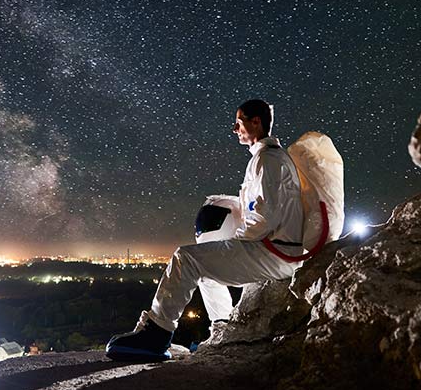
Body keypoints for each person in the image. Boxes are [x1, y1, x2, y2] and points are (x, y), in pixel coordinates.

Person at [105, 98, 305, 361]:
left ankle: (156, 334)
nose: (235, 129)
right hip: (277, 250)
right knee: (207, 273)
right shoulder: (268, 158)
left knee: (185, 258)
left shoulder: (267, 160)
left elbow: (266, 215)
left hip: (273, 252)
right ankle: (223, 329)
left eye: (239, 123)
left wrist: (237, 241)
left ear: (256, 122)